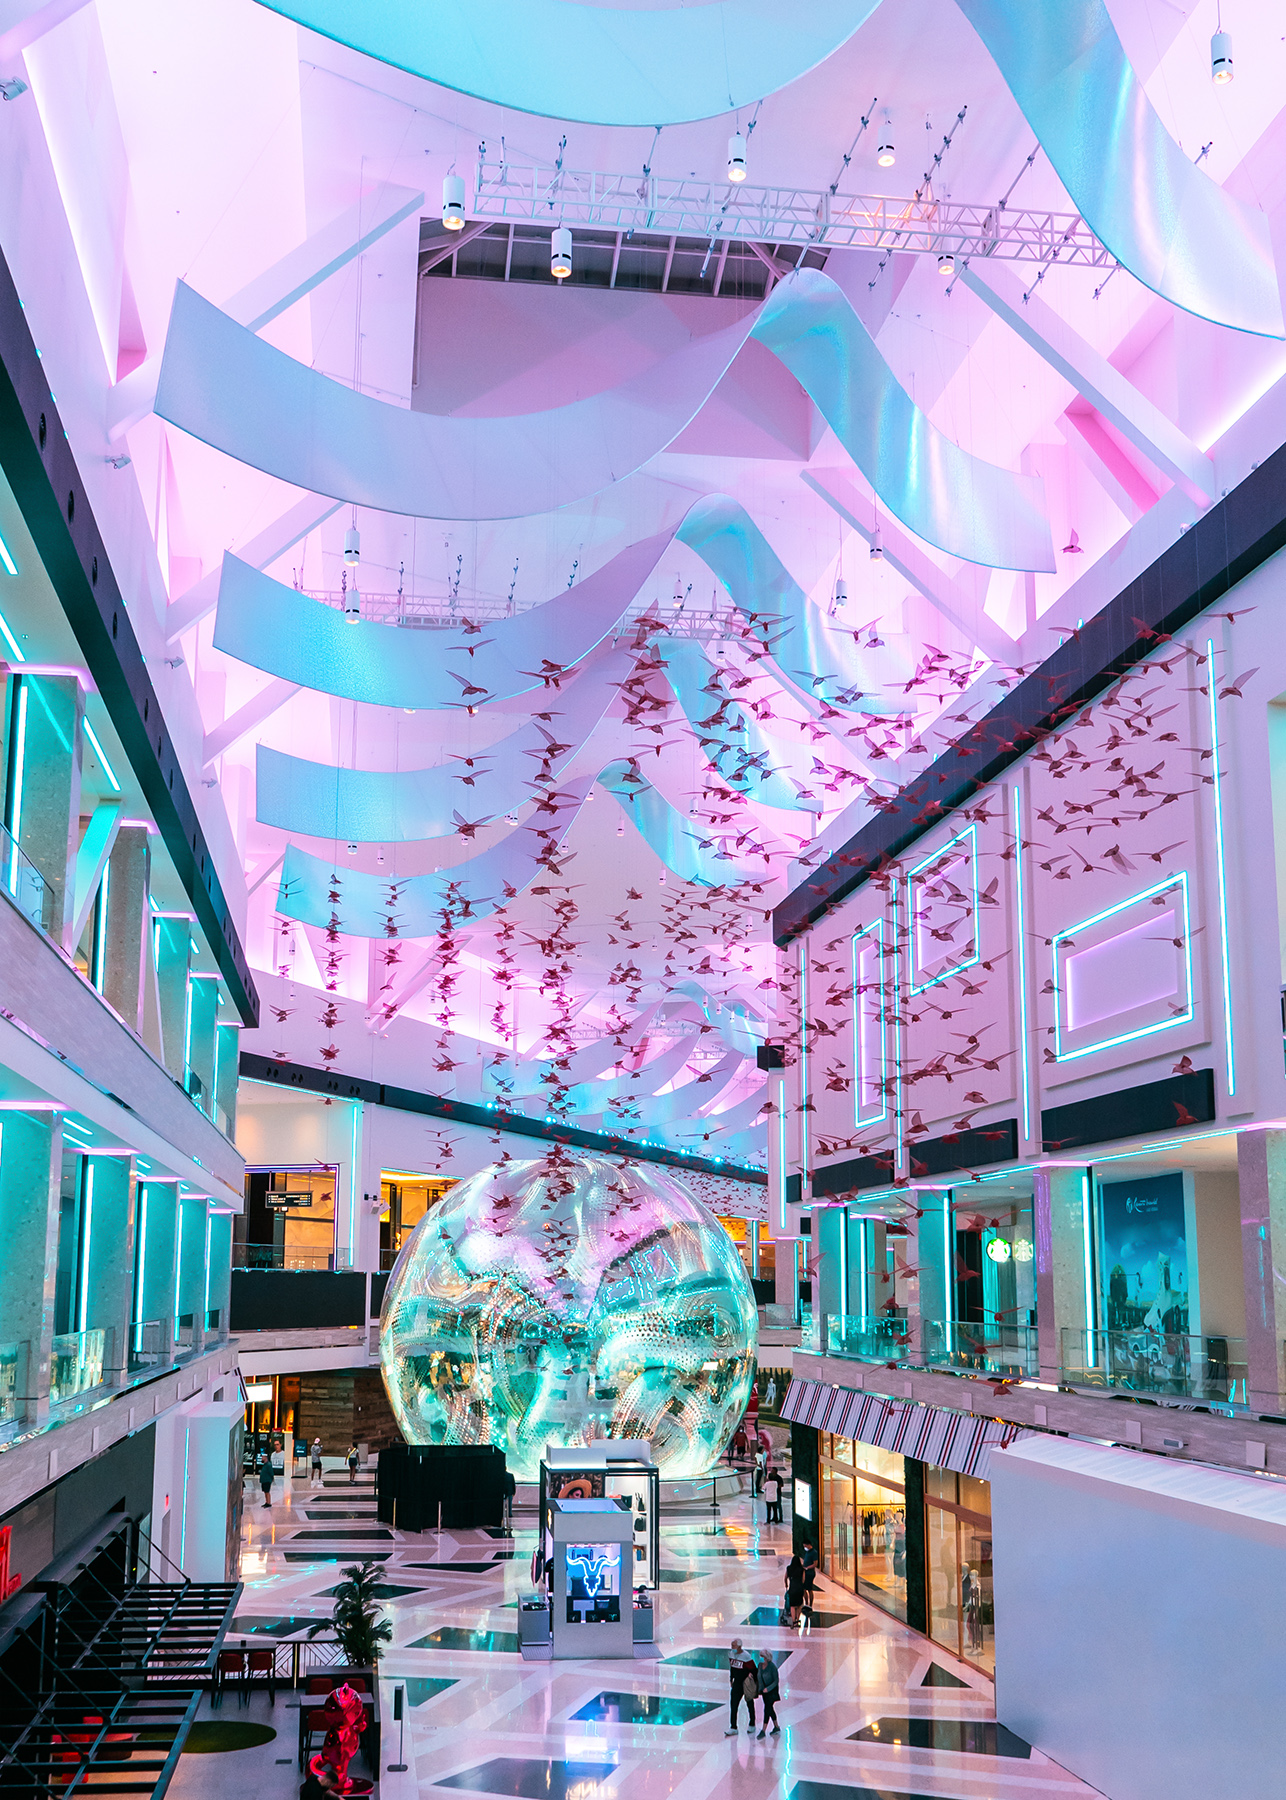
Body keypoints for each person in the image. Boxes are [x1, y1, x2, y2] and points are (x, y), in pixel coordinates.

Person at [725, 1638, 756, 1735]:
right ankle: (733, 1727)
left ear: (739, 1646)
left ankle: (752, 1723)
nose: (732, 1647)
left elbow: (754, 1669)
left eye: (734, 1645)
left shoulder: (746, 1656)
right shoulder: (731, 1654)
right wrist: (731, 1679)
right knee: (733, 1705)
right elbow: (732, 1668)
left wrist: (752, 1681)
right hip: (737, 1684)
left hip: (746, 1683)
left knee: (749, 1704)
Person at [755, 1651, 781, 1737]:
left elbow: (776, 1681)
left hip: (771, 1691)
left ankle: (763, 1730)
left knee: (767, 1709)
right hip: (764, 1691)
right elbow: (759, 1677)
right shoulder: (760, 1666)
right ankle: (776, 1727)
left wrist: (768, 1688)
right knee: (770, 1709)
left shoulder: (772, 1667)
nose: (761, 1658)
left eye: (762, 1656)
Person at [784, 1554, 805, 1626]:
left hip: (792, 1588)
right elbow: (803, 1580)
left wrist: (786, 1584)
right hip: (799, 1588)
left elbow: (785, 1577)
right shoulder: (802, 1569)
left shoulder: (789, 1568)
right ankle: (797, 1619)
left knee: (792, 1606)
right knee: (799, 1605)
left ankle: (793, 1621)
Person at [800, 1536, 818, 1613]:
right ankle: (806, 1603)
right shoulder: (807, 1552)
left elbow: (815, 1564)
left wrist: (807, 1567)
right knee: (804, 1589)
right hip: (805, 1572)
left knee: (809, 1589)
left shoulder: (814, 1553)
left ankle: (810, 1604)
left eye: (805, 1546)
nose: (805, 1547)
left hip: (810, 1573)